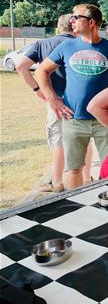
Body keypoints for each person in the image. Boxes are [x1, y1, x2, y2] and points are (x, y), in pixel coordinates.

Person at [36, 4, 108, 190]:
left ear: (91, 22)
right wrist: (53, 99)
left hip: (104, 120)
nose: (71, 21)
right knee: (73, 169)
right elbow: (41, 71)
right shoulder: (67, 46)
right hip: (73, 118)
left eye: (76, 17)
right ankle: (77, 210)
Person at [15, 14, 84, 192]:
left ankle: (57, 181)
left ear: (58, 27)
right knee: (82, 138)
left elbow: (20, 65)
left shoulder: (42, 44)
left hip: (54, 98)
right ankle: (84, 177)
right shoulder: (82, 43)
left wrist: (38, 90)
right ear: (74, 26)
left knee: (59, 139)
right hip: (79, 99)